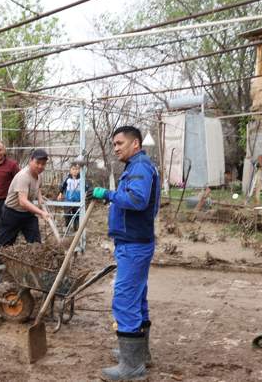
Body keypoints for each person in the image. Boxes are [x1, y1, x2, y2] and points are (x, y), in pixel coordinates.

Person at [92, 126, 160, 381]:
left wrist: (108, 194)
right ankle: (138, 354)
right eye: (114, 144)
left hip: (134, 244)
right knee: (137, 298)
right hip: (134, 241)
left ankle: (131, 367)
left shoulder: (140, 167)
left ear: (136, 144)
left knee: (125, 300)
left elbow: (137, 200)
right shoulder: (137, 166)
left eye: (120, 143)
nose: (116, 148)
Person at [0, 149, 51, 248]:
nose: (40, 166)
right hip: (12, 213)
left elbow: (38, 187)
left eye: (43, 164)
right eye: (37, 163)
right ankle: (0, 263)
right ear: (31, 161)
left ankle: (34, 261)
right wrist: (41, 212)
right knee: (5, 246)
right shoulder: (23, 176)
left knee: (36, 243)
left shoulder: (39, 176)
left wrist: (40, 198)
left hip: (27, 214)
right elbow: (23, 202)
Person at [57, 163, 84, 232]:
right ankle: (67, 228)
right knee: (67, 214)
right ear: (70, 170)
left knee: (77, 216)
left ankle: (76, 229)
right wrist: (60, 194)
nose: (75, 171)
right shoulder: (67, 179)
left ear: (79, 170)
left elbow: (86, 187)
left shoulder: (81, 179)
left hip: (78, 201)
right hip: (68, 200)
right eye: (73, 169)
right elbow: (63, 187)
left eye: (77, 169)